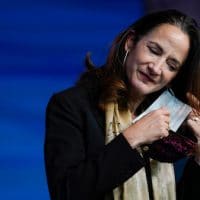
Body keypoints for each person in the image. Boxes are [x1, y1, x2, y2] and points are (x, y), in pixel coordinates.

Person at [44, 9, 200, 200]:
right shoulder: (71, 105)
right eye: (154, 50)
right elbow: (65, 193)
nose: (156, 68)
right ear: (130, 42)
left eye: (171, 65)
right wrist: (132, 138)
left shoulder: (175, 124)